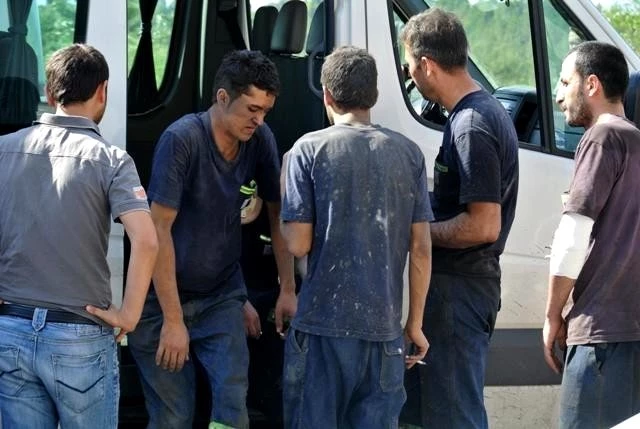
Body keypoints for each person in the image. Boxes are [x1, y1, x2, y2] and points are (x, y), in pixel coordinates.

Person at [127, 50, 296, 429]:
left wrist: (286, 288)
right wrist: (173, 321)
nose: (259, 120)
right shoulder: (181, 140)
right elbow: (158, 231)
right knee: (174, 416)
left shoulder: (260, 139)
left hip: (221, 297)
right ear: (222, 97)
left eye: (266, 111)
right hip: (161, 303)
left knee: (232, 405)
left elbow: (277, 213)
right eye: (252, 109)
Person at [0, 44, 158, 429]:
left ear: (49, 92)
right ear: (102, 91)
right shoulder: (112, 160)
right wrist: (129, 314)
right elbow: (147, 240)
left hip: (10, 327)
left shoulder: (5, 149)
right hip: (79, 333)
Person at [280, 45, 432, 429]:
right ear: (374, 95)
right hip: (384, 335)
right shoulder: (409, 154)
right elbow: (421, 248)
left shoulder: (306, 150)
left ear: (327, 95)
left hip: (321, 330)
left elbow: (297, 243)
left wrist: (284, 195)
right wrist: (414, 323)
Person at [399, 8, 519, 429]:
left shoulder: (472, 125)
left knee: (454, 417)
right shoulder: (474, 114)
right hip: (461, 291)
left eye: (410, 66)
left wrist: (416, 232)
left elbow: (483, 225)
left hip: (460, 294)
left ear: (427, 64)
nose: (409, 75)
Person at [543, 41, 640, 429]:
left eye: (566, 83)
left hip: (600, 341)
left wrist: (552, 315)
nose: (558, 95)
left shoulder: (601, 138)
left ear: (592, 84)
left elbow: (573, 236)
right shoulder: (634, 139)